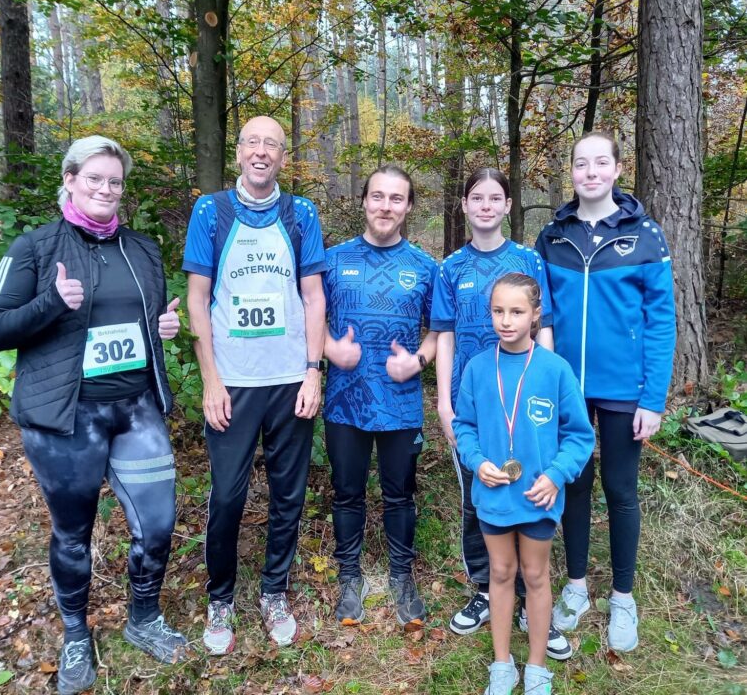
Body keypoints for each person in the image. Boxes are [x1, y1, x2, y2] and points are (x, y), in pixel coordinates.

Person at [0, 136, 187, 695]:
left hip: (137, 408)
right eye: (94, 178)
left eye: (115, 181)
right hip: (65, 418)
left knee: (159, 523)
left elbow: (143, 322)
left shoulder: (142, 249)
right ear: (70, 179)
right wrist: (52, 303)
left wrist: (162, 332)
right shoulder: (35, 247)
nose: (105, 189)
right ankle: (76, 634)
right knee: (74, 534)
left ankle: (143, 618)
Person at [183, 116, 326, 654]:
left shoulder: (301, 213)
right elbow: (198, 298)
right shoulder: (211, 211)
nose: (262, 152)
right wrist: (210, 380)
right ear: (238, 152)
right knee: (226, 496)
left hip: (290, 380)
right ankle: (220, 598)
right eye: (252, 142)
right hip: (234, 383)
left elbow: (313, 297)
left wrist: (314, 370)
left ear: (283, 157)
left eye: (272, 144)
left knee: (289, 494)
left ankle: (274, 592)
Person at [535, 131, 676, 652]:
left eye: (600, 163)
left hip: (624, 390)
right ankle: (575, 588)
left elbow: (662, 323)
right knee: (572, 485)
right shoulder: (553, 235)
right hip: (566, 387)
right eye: (580, 164)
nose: (590, 172)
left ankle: (622, 596)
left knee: (619, 490)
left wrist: (653, 398)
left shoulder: (646, 236)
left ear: (617, 169)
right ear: (571, 172)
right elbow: (540, 311)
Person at [431, 168, 572, 661]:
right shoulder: (449, 267)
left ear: (508, 205)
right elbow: (444, 334)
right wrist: (445, 402)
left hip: (526, 400)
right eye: (476, 197)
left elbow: (546, 326)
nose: (486, 206)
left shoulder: (528, 259)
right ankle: (487, 590)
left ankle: (536, 608)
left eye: (495, 198)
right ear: (465, 206)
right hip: (475, 401)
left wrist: (550, 390)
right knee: (480, 495)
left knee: (533, 492)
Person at [454, 273, 594, 695]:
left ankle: (536, 666)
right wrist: (477, 463)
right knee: (500, 572)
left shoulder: (554, 369)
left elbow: (580, 435)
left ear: (535, 315)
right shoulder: (479, 368)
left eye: (516, 311)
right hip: (494, 495)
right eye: (498, 311)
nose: (506, 320)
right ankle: (502, 663)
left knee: (535, 575)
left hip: (538, 496)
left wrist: (555, 475)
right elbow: (464, 427)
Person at [321, 165, 437, 628]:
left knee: (399, 495)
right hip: (344, 400)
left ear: (408, 207)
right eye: (378, 196)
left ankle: (401, 576)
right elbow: (306, 314)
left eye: (396, 198)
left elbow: (440, 332)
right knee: (346, 493)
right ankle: (350, 577)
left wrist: (419, 362)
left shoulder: (427, 268)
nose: (385, 206)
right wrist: (330, 350)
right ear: (364, 201)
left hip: (401, 401)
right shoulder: (330, 261)